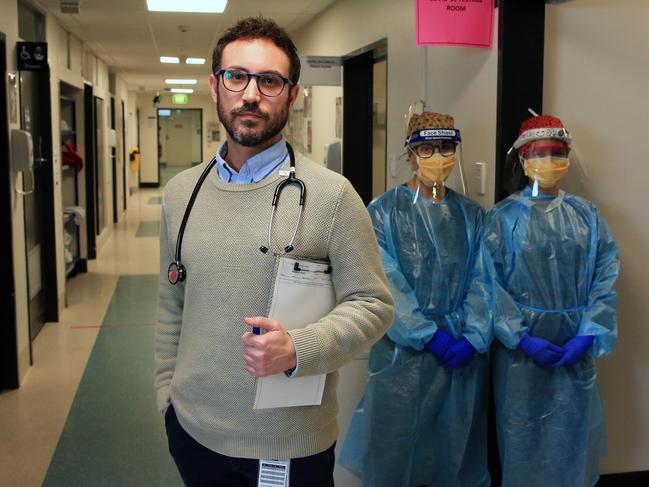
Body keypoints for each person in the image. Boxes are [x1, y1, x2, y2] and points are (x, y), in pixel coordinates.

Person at [154, 17, 394, 487]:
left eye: (269, 81)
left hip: (288, 445)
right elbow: (171, 304)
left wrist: (299, 349)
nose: (250, 95)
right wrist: (166, 396)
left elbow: (374, 304)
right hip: (193, 433)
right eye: (236, 76)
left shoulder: (333, 197)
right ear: (215, 85)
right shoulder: (182, 193)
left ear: (293, 93)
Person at [338, 111, 492, 487]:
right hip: (402, 358)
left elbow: (484, 279)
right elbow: (385, 281)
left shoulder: (472, 216)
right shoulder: (383, 212)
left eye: (445, 147)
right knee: (395, 450)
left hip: (462, 354)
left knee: (454, 450)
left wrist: (473, 335)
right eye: (426, 147)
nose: (437, 156)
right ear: (410, 153)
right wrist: (427, 334)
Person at [483, 115, 620, 487]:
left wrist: (589, 333)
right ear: (524, 159)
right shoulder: (503, 218)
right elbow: (489, 284)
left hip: (576, 348)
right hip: (520, 359)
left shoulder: (586, 217)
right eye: (540, 153)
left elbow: (604, 279)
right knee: (521, 434)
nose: (549, 161)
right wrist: (520, 337)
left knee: (572, 437)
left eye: (557, 153)